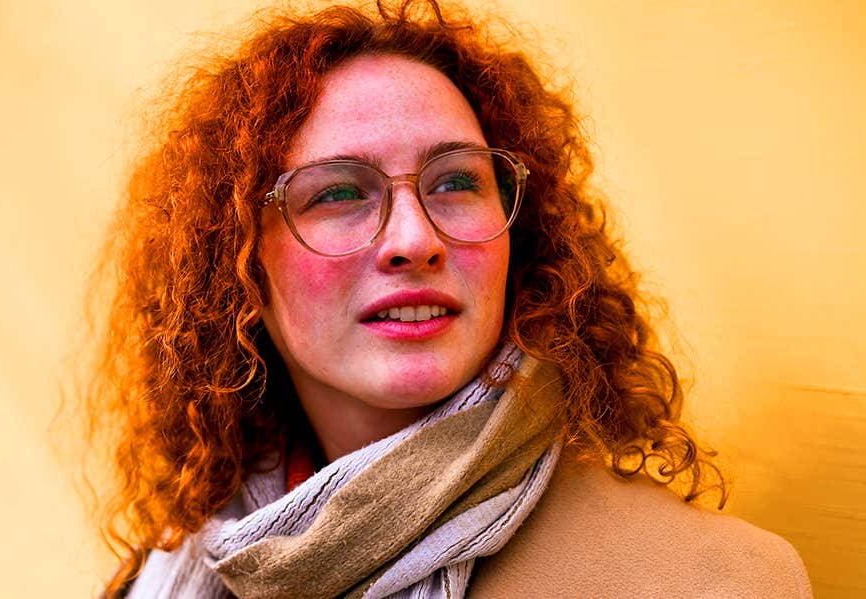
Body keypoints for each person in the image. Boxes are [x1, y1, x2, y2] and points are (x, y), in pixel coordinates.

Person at [77, 1, 812, 597]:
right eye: (338, 192)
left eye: (456, 181)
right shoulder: (180, 567)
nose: (413, 239)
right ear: (233, 261)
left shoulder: (709, 582)